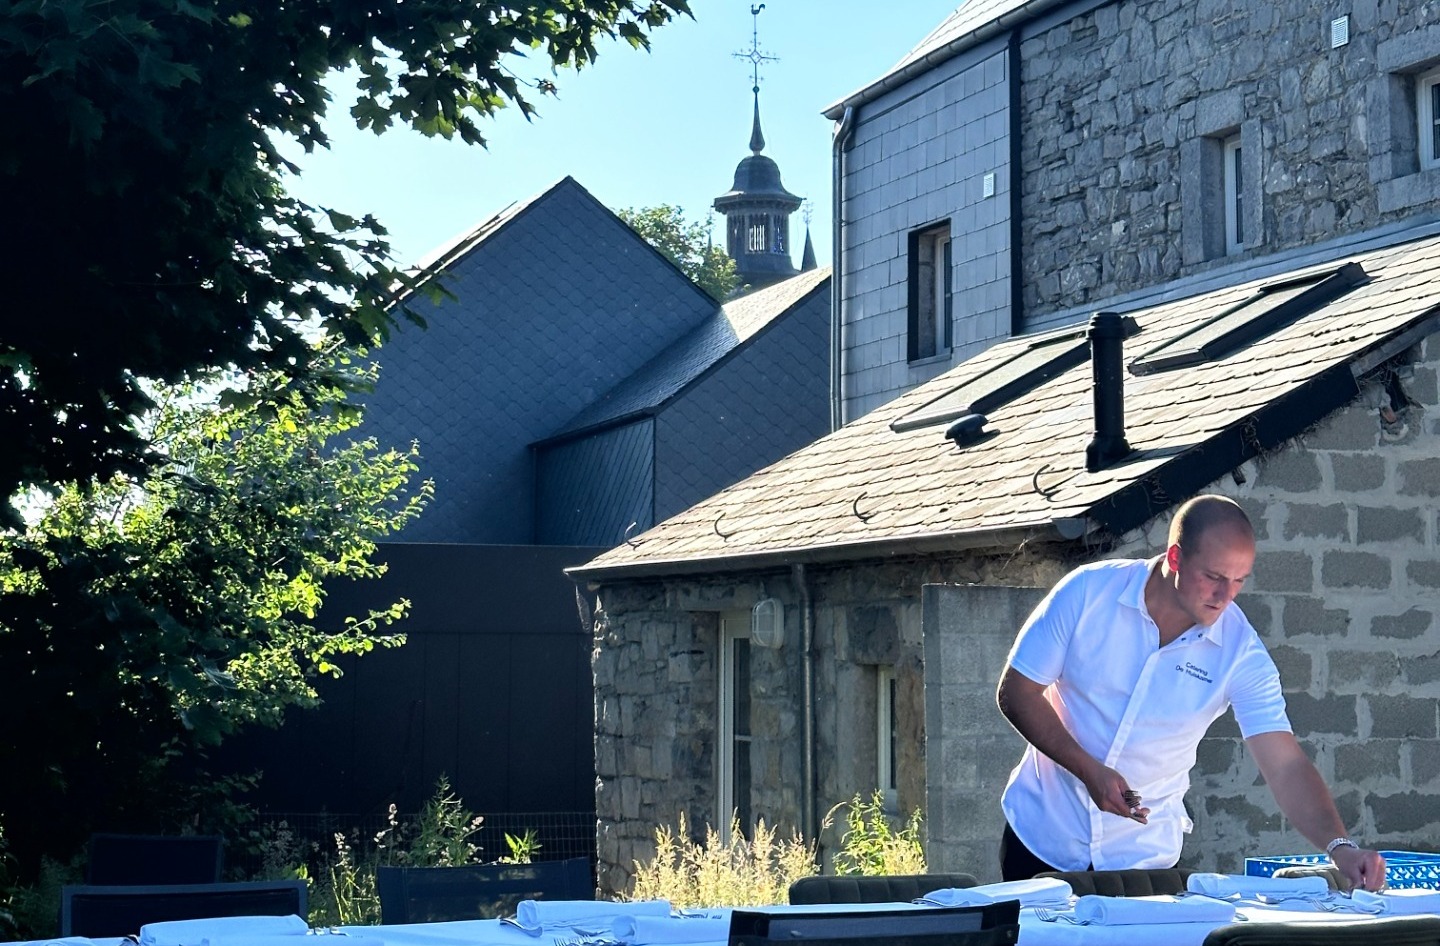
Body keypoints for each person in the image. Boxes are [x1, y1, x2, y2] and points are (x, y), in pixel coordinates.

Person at [995, 494, 1386, 891]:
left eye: (1239, 580)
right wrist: (1087, 769)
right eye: (1214, 577)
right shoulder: (1086, 592)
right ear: (1175, 558)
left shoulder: (1242, 652)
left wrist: (1340, 847)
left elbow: (1285, 765)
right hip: (1042, 840)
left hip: (1146, 863)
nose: (1226, 596)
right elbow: (1017, 692)